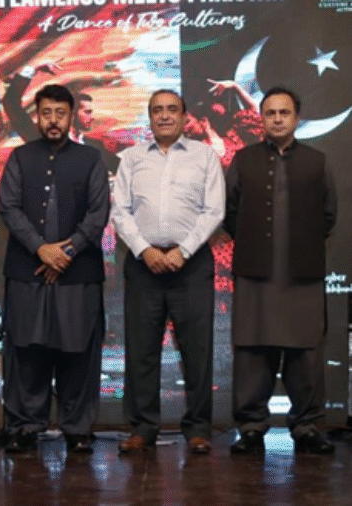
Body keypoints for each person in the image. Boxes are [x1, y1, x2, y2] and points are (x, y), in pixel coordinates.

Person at [111, 90, 225, 455]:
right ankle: (143, 427)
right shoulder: (130, 158)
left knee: (196, 350)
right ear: (149, 117)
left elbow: (214, 211)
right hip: (144, 265)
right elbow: (120, 212)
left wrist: (183, 251)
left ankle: (198, 428)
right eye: (157, 110)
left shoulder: (204, 156)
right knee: (141, 350)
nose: (163, 116)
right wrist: (145, 250)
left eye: (171, 110)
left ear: (183, 115)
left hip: (190, 266)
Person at [225, 87, 337, 455]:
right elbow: (230, 214)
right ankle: (252, 427)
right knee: (253, 354)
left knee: (306, 355)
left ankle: (306, 427)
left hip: (302, 275)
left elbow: (328, 215)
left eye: (283, 113)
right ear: (261, 118)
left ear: (296, 118)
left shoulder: (317, 162)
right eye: (270, 112)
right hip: (255, 272)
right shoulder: (243, 160)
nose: (276, 118)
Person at [0, 84, 110, 453]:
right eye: (46, 113)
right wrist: (42, 249)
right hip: (27, 270)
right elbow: (9, 208)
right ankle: (25, 426)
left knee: (78, 351)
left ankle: (77, 428)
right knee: (27, 351)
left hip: (79, 273)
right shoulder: (19, 157)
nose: (53, 121)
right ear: (37, 115)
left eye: (60, 114)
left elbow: (98, 213)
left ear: (71, 116)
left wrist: (69, 249)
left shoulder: (91, 159)